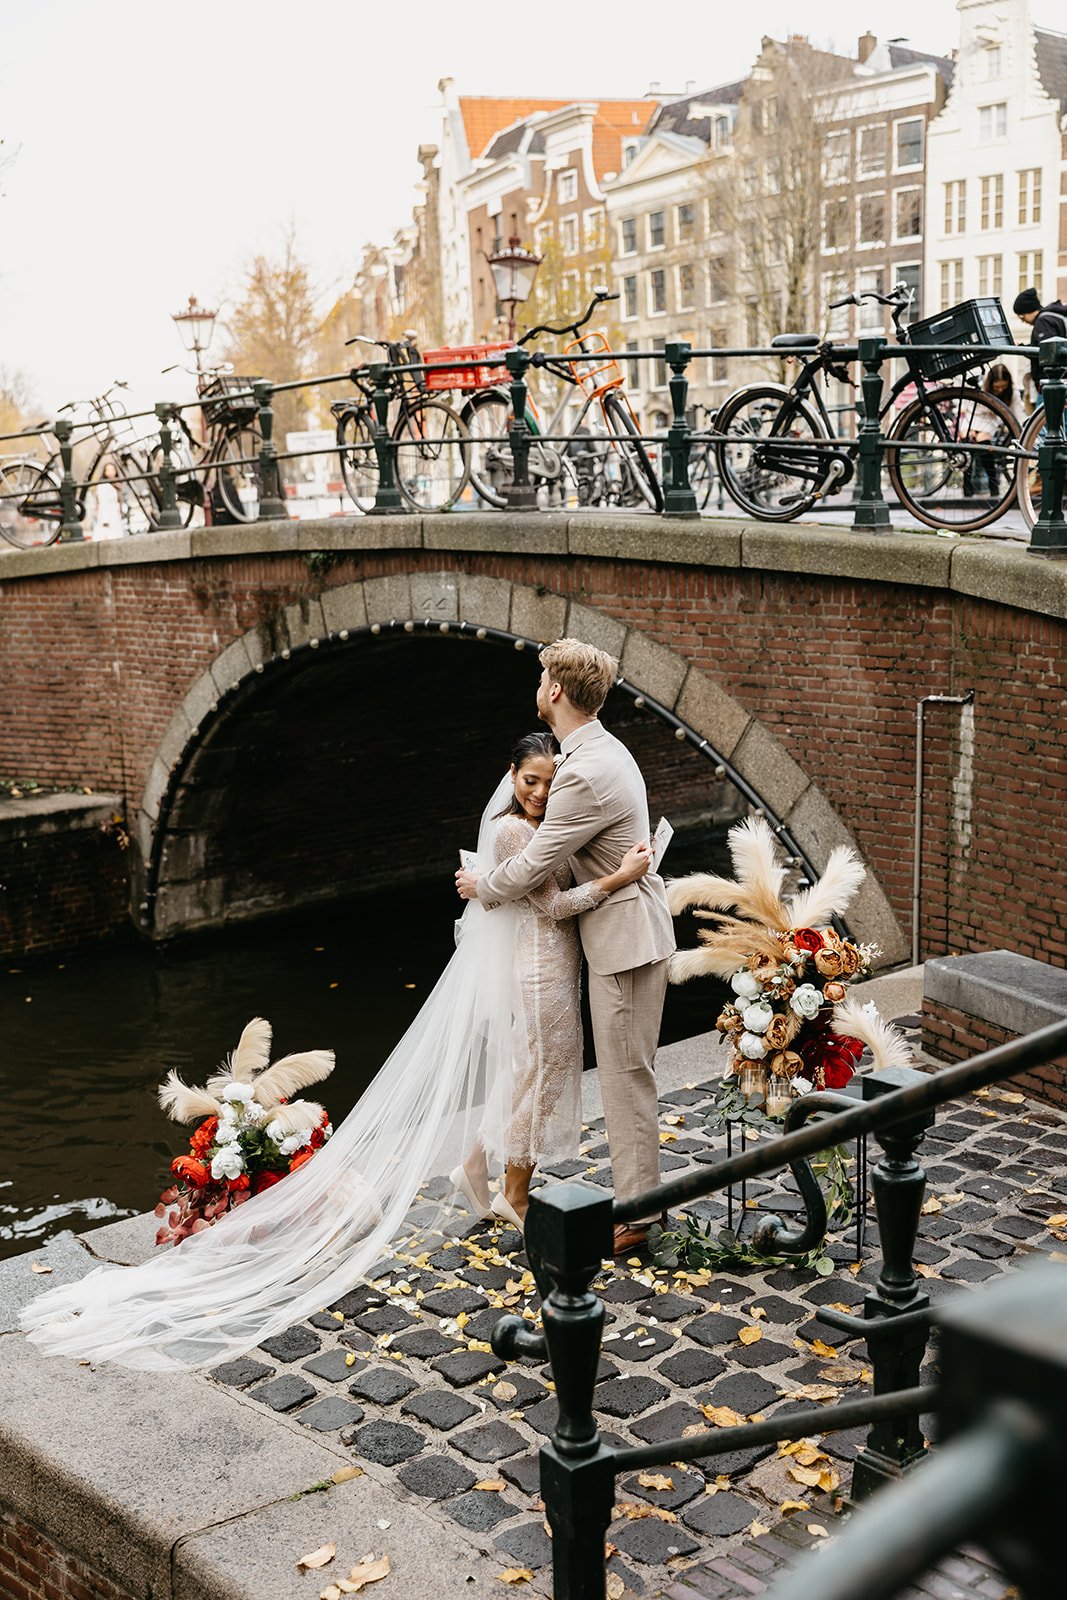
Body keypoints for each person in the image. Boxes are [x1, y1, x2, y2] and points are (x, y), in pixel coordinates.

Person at [20, 732, 645, 1372]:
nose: (538, 793)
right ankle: (514, 1191)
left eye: (548, 782)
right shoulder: (517, 833)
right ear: (511, 775)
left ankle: (479, 1169)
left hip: (548, 963)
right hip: (540, 967)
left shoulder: (543, 826)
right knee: (535, 1077)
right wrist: (618, 879)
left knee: (526, 1074)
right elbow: (552, 900)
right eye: (529, 780)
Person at [456, 638, 675, 1257]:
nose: (539, 685)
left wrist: (481, 888)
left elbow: (533, 866)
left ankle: (636, 1215)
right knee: (619, 1071)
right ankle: (634, 1202)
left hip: (624, 941)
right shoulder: (602, 750)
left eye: (541, 677)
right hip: (624, 934)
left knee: (627, 1077)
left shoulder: (581, 773)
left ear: (554, 691)